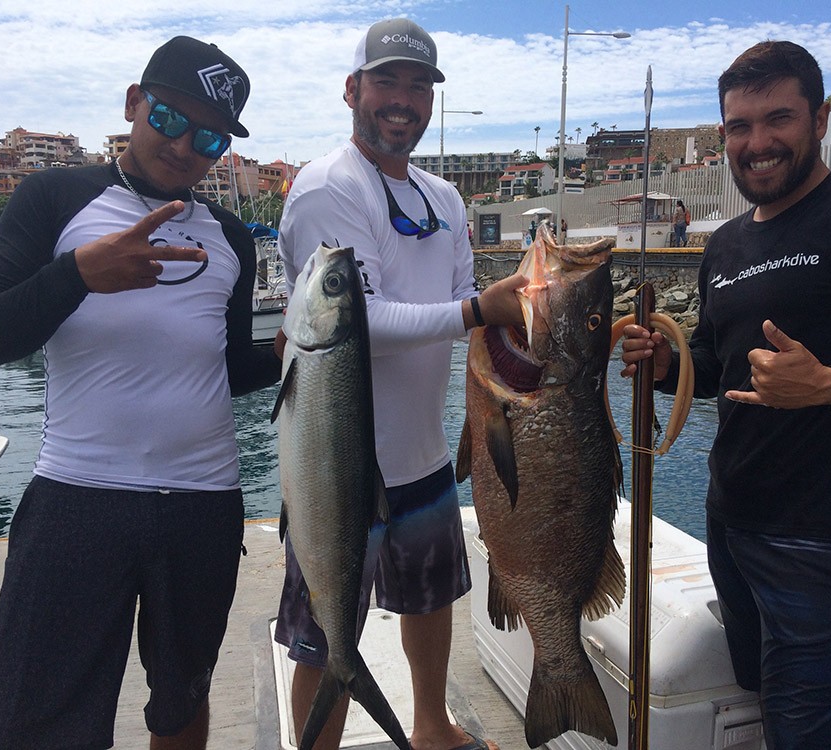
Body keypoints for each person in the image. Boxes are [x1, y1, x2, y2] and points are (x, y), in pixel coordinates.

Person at [0, 36, 282, 750]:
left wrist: (291, 358)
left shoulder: (229, 234)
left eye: (207, 136)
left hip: (204, 505)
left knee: (182, 697)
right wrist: (79, 273)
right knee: (39, 717)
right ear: (134, 104)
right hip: (79, 497)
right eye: (170, 119)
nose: (183, 147)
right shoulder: (54, 197)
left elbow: (225, 368)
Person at [621, 40, 831, 748]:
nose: (757, 143)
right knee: (773, 713)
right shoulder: (724, 246)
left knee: (807, 734)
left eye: (778, 119)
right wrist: (665, 362)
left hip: (827, 544)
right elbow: (716, 366)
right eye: (739, 125)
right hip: (732, 527)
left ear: (820, 118)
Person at [273, 17, 525, 750]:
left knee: (431, 600)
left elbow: (457, 302)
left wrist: (528, 316)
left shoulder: (442, 198)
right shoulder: (328, 186)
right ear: (353, 90)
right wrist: (478, 309)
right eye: (387, 81)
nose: (403, 100)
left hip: (422, 454)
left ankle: (429, 725)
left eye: (419, 86)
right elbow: (357, 319)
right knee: (325, 635)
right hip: (335, 468)